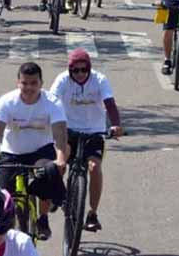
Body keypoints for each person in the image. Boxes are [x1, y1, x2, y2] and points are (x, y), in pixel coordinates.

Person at [0, 62, 68, 241]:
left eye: (33, 83)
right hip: (12, 153)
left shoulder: (52, 102)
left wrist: (60, 159)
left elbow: (60, 132)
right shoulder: (7, 101)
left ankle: (43, 218)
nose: (29, 87)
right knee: (5, 199)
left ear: (41, 83)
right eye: (25, 83)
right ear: (18, 83)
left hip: (41, 152)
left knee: (48, 174)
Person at [50, 49, 122, 232]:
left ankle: (92, 214)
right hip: (68, 131)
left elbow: (110, 104)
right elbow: (51, 102)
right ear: (70, 70)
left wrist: (115, 125)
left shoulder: (99, 80)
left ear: (89, 69)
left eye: (84, 70)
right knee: (60, 162)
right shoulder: (62, 80)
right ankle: (56, 196)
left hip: (94, 133)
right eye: (76, 70)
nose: (80, 74)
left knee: (95, 167)